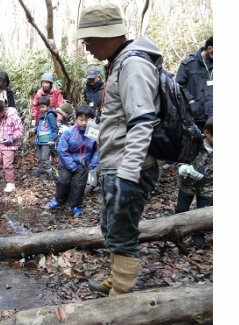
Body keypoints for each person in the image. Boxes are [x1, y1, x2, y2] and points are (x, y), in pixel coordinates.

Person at [75, 2, 162, 296]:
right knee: (111, 227)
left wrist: (127, 175)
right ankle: (117, 277)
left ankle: (120, 299)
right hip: (116, 163)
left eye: (88, 40)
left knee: (122, 232)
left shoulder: (133, 65)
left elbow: (143, 122)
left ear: (108, 34)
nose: (86, 47)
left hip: (129, 166)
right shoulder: (118, 62)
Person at [49, 105, 99, 216]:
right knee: (63, 182)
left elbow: (97, 150)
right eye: (81, 120)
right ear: (76, 119)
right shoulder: (69, 132)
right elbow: (62, 149)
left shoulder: (94, 134)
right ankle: (59, 200)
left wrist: (93, 163)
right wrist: (71, 164)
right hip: (67, 164)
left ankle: (75, 205)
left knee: (79, 186)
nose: (84, 123)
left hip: (83, 165)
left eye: (87, 120)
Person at [175, 117, 213, 247]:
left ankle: (198, 237)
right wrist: (184, 168)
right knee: (181, 210)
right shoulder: (194, 143)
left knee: (202, 213)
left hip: (208, 187)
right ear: (207, 133)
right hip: (187, 184)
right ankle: (177, 234)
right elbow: (181, 158)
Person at [0, 99, 24, 193]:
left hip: (10, 145)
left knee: (7, 164)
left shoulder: (13, 117)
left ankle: (10, 183)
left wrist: (12, 139)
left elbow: (20, 130)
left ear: (4, 110)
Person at [176, 36, 213, 132]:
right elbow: (178, 85)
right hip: (196, 115)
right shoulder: (188, 64)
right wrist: (190, 100)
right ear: (210, 48)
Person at [32, 96, 59, 179]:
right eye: (40, 107)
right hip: (40, 139)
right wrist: (35, 129)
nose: (41, 109)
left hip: (47, 140)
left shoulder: (50, 115)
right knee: (39, 157)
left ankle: (49, 172)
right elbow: (41, 126)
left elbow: (55, 128)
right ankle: (40, 170)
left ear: (48, 106)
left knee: (45, 157)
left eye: (43, 107)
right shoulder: (43, 115)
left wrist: (53, 139)